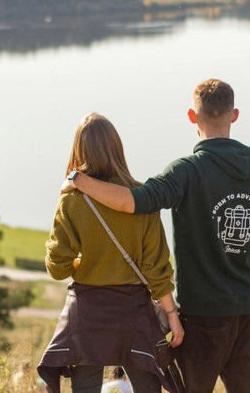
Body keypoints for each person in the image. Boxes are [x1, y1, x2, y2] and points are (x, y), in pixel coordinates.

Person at [62, 79, 250, 393]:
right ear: (234, 115)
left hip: (201, 315)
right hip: (249, 312)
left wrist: (79, 180)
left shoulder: (187, 172)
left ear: (192, 117)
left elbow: (132, 202)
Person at [38, 113, 184, 393]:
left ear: (78, 150)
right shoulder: (142, 198)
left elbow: (57, 268)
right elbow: (157, 269)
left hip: (87, 312)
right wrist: (172, 315)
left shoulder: (70, 201)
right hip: (133, 312)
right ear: (116, 147)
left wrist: (83, 260)